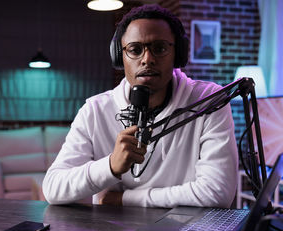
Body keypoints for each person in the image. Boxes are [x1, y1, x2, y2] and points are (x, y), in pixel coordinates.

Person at [43, 4, 238, 208]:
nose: (147, 59)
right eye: (135, 50)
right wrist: (110, 165)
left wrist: (125, 199)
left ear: (177, 54)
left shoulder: (209, 100)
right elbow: (53, 188)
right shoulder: (95, 110)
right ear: (120, 56)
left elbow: (218, 192)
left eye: (160, 48)